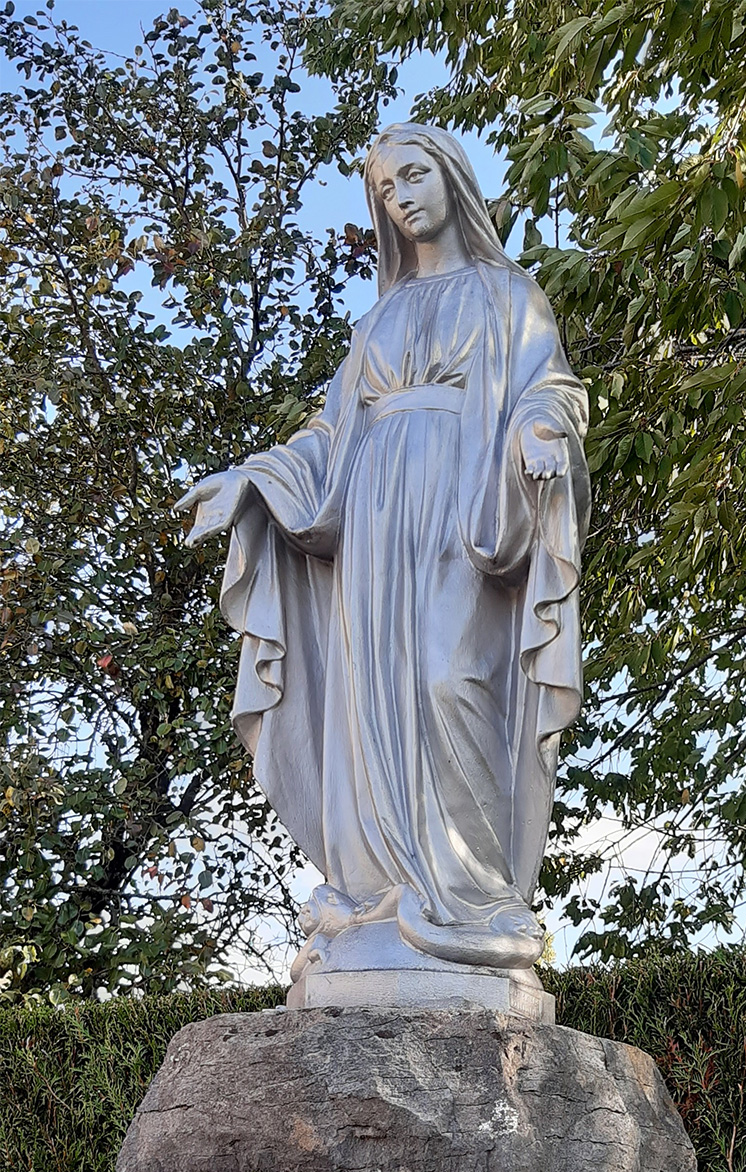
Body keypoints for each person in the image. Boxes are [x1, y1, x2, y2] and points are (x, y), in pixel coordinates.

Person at [176, 123, 590, 987]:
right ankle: (382, 892)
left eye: (414, 174)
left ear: (452, 178)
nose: (401, 197)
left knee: (449, 677)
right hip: (373, 519)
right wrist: (252, 480)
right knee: (375, 700)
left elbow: (548, 388)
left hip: (464, 508)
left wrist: (540, 432)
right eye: (385, 189)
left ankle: (472, 898)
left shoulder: (508, 295)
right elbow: (330, 437)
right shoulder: (378, 321)